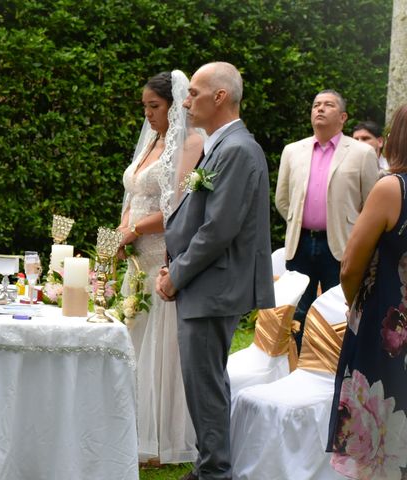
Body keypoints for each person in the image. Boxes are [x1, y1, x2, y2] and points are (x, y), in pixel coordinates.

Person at [156, 62, 275, 480]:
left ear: (220, 97)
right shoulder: (221, 145)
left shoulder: (239, 149)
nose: (186, 101)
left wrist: (177, 274)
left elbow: (218, 229)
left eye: (194, 93)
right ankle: (210, 465)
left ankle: (214, 473)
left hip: (213, 284)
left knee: (203, 384)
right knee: (205, 381)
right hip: (204, 282)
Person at [117, 70, 203, 465]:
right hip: (136, 258)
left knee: (159, 348)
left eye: (155, 106)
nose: (148, 114)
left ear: (174, 104)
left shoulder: (188, 143)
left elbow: (176, 208)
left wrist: (133, 229)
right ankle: (129, 426)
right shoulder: (152, 141)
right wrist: (120, 234)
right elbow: (135, 194)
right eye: (145, 107)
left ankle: (164, 438)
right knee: (132, 341)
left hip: (161, 258)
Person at [326, 104, 407, 480]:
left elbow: (350, 265)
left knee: (384, 435)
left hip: (388, 329)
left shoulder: (392, 188)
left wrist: (355, 303)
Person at [275, 89, 378, 351]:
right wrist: (300, 220)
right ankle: (296, 363)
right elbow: (283, 200)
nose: (319, 109)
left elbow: (370, 204)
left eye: (328, 105)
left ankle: (338, 367)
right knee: (298, 310)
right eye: (316, 105)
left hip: (342, 246)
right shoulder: (292, 151)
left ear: (342, 117)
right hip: (300, 243)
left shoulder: (361, 153)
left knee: (340, 309)